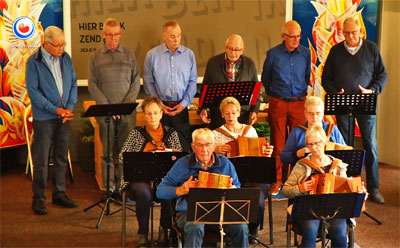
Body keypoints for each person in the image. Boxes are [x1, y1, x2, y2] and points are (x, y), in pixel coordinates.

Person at [322, 17, 387, 204]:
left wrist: (372, 90)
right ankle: (347, 184)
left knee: (370, 146)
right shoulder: (335, 51)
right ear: (342, 33)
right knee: (346, 146)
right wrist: (335, 93)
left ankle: (373, 188)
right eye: (347, 32)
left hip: (365, 105)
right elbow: (326, 78)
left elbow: (382, 74)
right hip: (343, 105)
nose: (350, 36)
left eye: (354, 32)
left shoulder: (371, 49)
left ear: (361, 32)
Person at [156, 128, 249, 247]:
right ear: (193, 146)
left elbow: (238, 188)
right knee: (195, 226)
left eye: (208, 145)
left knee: (240, 227)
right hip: (189, 213)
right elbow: (160, 191)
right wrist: (181, 190)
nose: (204, 150)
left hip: (221, 213)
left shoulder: (225, 163)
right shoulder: (182, 164)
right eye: (199, 145)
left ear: (214, 145)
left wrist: (233, 189)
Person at [26, 26, 78, 215]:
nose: (61, 49)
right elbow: (34, 92)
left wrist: (69, 108)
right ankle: (39, 198)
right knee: (41, 158)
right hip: (45, 117)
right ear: (46, 44)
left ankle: (60, 193)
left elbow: (73, 82)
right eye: (57, 46)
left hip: (64, 116)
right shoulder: (33, 62)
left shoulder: (66, 58)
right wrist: (55, 109)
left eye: (63, 44)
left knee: (61, 156)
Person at [119, 96, 182, 245]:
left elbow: (180, 158)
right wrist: (143, 152)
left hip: (164, 178)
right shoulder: (136, 133)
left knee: (167, 190)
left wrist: (169, 152)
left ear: (161, 113)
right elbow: (122, 157)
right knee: (144, 193)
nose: (152, 117)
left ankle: (164, 229)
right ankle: (143, 232)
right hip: (139, 178)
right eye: (149, 113)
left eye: (155, 113)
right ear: (144, 115)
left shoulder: (170, 133)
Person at [88, 18, 140, 195]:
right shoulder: (95, 57)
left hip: (126, 113)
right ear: (103, 35)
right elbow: (92, 84)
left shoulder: (129, 55)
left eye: (116, 34)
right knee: (107, 153)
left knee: (126, 152)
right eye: (109, 35)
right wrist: (108, 106)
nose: (113, 38)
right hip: (105, 113)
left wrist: (122, 107)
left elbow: (135, 83)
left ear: (120, 34)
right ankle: (109, 188)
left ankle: (123, 185)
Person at [212, 97, 273, 243]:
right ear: (222, 115)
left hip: (253, 175)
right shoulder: (216, 134)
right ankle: (232, 229)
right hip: (229, 178)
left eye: (233, 112)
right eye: (227, 113)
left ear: (239, 113)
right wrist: (215, 150)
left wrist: (266, 153)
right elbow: (208, 158)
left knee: (257, 200)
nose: (231, 116)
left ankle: (253, 228)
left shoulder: (250, 130)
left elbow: (259, 155)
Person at [261, 20, 311, 195]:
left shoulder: (305, 53)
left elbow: (306, 77)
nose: (296, 40)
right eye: (292, 37)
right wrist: (276, 95)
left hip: (299, 103)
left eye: (298, 36)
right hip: (278, 102)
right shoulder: (273, 54)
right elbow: (266, 79)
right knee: (278, 145)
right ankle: (277, 181)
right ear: (283, 36)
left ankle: (297, 180)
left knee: (299, 144)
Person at [282, 125, 349, 248]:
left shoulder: (337, 165)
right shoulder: (302, 165)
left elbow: (347, 189)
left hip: (333, 209)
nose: (313, 148)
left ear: (324, 142)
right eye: (310, 144)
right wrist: (300, 188)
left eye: (317, 143)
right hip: (308, 209)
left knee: (339, 232)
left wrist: (357, 190)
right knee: (310, 229)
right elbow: (285, 190)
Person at [143, 21, 197, 152]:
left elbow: (192, 82)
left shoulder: (189, 55)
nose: (176, 39)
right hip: (160, 111)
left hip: (181, 109)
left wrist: (183, 104)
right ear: (164, 36)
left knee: (183, 148)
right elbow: (148, 81)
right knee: (161, 148)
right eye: (172, 36)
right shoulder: (152, 55)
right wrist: (159, 105)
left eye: (179, 35)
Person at [199, 34, 260, 130]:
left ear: (242, 50)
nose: (233, 53)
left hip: (242, 116)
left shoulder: (249, 64)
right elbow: (204, 89)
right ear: (225, 47)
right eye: (230, 49)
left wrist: (254, 111)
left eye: (237, 50)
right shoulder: (213, 63)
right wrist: (203, 109)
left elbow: (256, 90)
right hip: (219, 116)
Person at [281, 96, 347, 166]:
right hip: (305, 172)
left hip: (330, 173)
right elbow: (283, 157)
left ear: (323, 113)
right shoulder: (297, 131)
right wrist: (297, 153)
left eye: (318, 113)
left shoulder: (333, 129)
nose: (314, 117)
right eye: (311, 113)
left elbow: (346, 152)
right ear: (305, 114)